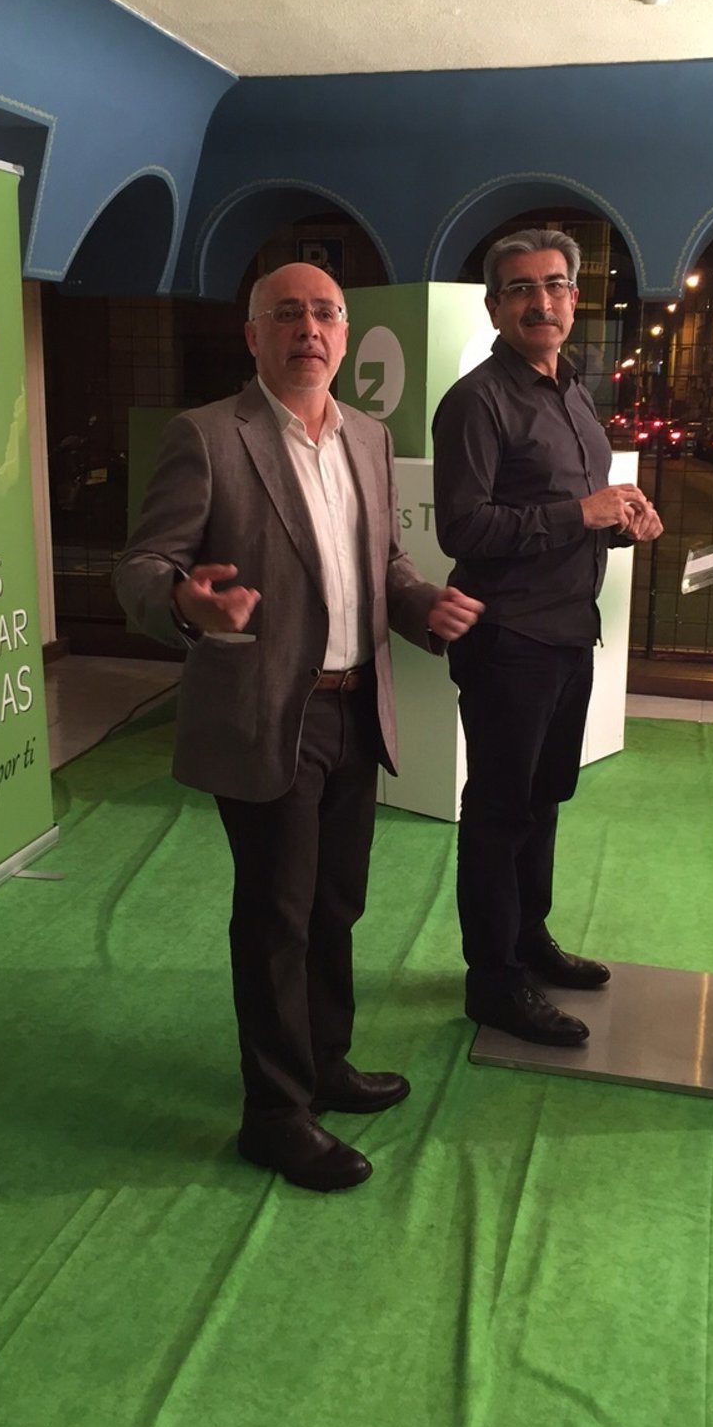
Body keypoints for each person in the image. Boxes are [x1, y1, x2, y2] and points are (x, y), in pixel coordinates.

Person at [114, 263, 482, 1192]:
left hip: (358, 705)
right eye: (286, 314)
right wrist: (184, 601)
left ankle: (325, 1063)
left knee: (335, 904)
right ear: (254, 336)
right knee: (277, 915)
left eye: (324, 313)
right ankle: (275, 1115)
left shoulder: (369, 435)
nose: (307, 329)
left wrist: (421, 604)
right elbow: (144, 563)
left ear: (345, 335)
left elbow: (383, 561)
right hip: (267, 714)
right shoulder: (207, 435)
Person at [432, 229, 663, 1047]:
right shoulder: (477, 402)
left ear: (574, 298)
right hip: (509, 640)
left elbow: (578, 512)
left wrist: (622, 523)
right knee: (499, 812)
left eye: (556, 285)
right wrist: (581, 513)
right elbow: (464, 528)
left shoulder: (572, 392)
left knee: (543, 801)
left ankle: (528, 940)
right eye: (522, 288)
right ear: (495, 305)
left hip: (568, 633)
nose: (542, 301)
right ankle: (492, 983)